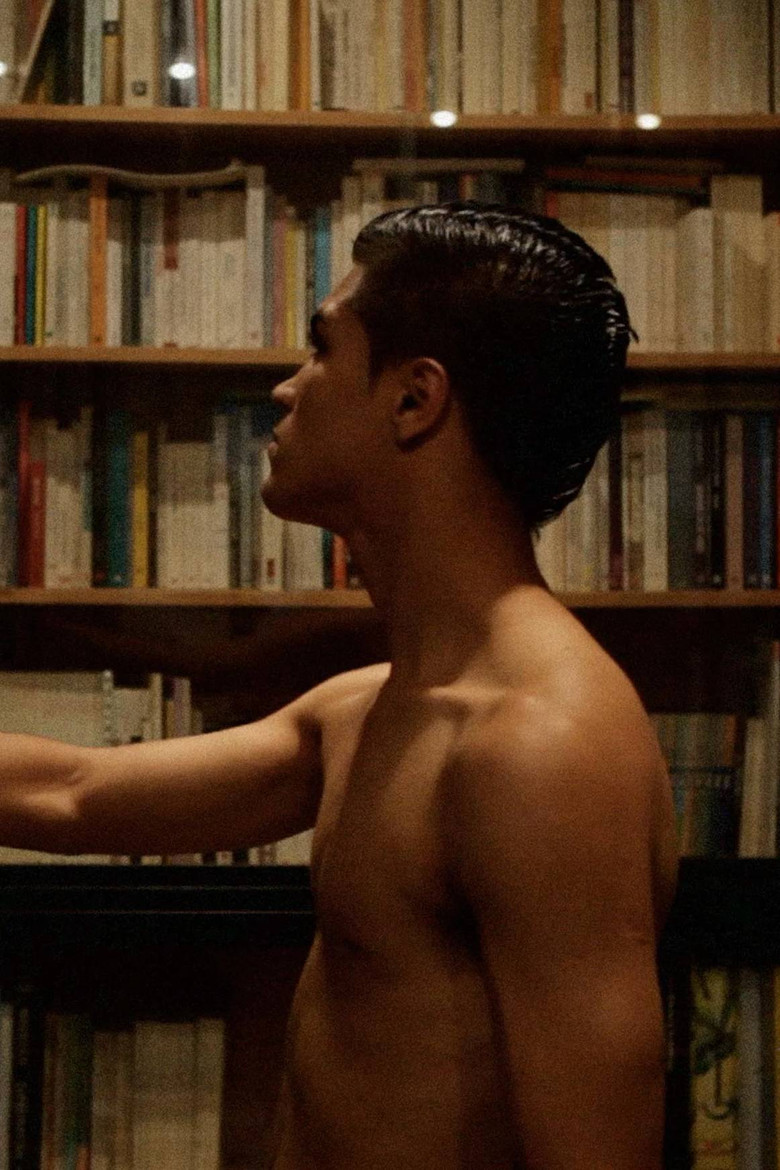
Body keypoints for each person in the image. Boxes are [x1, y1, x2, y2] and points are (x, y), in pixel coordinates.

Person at [0, 204, 679, 1169]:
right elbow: (72, 793)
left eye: (321, 348)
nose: (286, 387)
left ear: (415, 400)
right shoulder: (369, 710)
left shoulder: (539, 745)